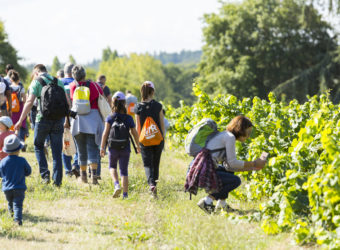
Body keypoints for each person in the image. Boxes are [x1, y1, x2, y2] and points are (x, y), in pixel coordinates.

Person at [196, 115, 267, 214]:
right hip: (203, 172)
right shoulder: (230, 137)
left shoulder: (226, 136)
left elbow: (230, 166)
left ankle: (222, 204)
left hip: (200, 170)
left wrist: (253, 167)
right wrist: (254, 163)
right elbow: (233, 163)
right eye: (248, 132)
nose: (248, 136)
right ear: (241, 129)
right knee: (235, 181)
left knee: (229, 173)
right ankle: (207, 201)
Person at [14, 64, 69, 187]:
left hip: (42, 119)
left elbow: (29, 102)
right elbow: (67, 103)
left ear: (37, 72)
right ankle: (57, 181)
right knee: (56, 151)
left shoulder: (37, 82)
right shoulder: (58, 81)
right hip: (58, 120)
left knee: (38, 145)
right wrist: (66, 120)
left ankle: (45, 175)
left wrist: (20, 120)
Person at [100, 91, 140, 199]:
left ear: (113, 103)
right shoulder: (128, 118)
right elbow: (134, 132)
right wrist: (138, 145)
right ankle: (125, 195)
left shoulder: (110, 117)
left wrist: (102, 147)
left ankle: (116, 184)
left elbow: (105, 133)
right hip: (125, 147)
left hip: (112, 147)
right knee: (124, 170)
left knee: (112, 166)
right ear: (124, 103)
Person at [69, 65, 104, 184]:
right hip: (92, 119)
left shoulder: (73, 86)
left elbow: (72, 100)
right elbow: (101, 97)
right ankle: (94, 176)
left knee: (81, 150)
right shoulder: (94, 85)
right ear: (84, 74)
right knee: (93, 148)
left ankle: (83, 177)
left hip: (77, 119)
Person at [136, 81, 165, 197]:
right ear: (152, 92)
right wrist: (163, 138)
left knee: (147, 164)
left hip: (145, 140)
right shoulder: (158, 106)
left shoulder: (138, 107)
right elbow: (162, 123)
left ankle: (151, 184)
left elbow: (138, 126)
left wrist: (138, 142)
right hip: (157, 138)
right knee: (155, 163)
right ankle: (155, 185)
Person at [0, 134, 32, 226]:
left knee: (10, 203)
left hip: (7, 188)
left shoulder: (3, 162)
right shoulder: (22, 160)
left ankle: (11, 216)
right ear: (18, 149)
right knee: (17, 204)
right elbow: (28, 171)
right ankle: (17, 220)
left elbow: (0, 174)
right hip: (19, 187)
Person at [60, 63, 80, 178]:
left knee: (66, 143)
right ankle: (76, 165)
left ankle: (67, 170)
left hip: (63, 117)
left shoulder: (59, 82)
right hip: (75, 116)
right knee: (77, 142)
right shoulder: (77, 83)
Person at [8, 70, 27, 147]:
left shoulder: (9, 87)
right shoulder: (21, 87)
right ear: (18, 79)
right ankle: (21, 142)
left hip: (11, 109)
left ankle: (11, 141)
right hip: (20, 108)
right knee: (21, 124)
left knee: (11, 125)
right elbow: (24, 99)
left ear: (11, 80)